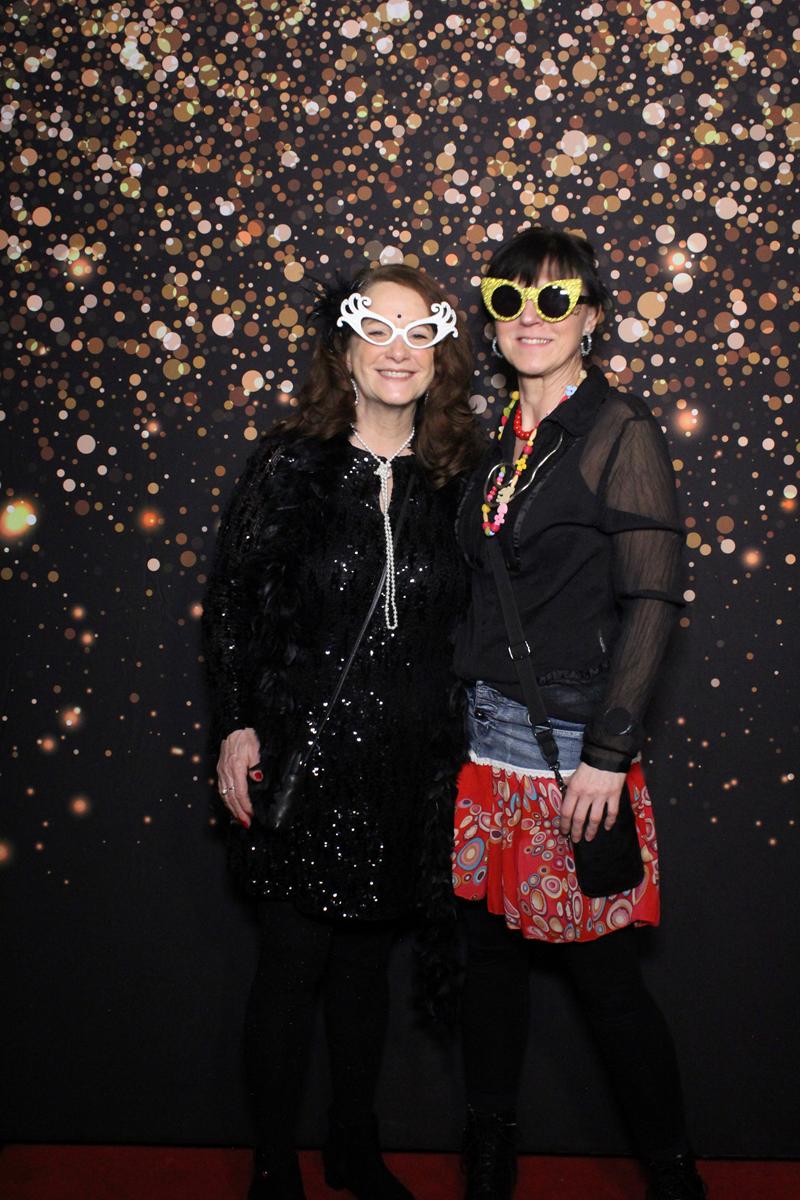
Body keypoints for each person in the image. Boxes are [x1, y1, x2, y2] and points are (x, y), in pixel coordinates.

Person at [202, 263, 483, 1200]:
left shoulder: (457, 477)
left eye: (418, 333)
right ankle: (274, 1163)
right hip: (306, 757)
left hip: (407, 768)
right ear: (345, 348)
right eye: (379, 330)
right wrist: (237, 725)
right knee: (292, 967)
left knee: (366, 970)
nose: (398, 351)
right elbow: (233, 603)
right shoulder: (290, 463)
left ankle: (354, 1147)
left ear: (440, 355)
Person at [451, 227, 707, 1200]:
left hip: (570, 756)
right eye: (510, 299)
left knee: (605, 984)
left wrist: (608, 751)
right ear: (490, 320)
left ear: (590, 318)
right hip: (484, 748)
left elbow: (654, 598)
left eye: (555, 300)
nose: (531, 318)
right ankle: (489, 1152)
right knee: (486, 966)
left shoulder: (617, 431)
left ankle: (672, 1173)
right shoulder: (501, 443)